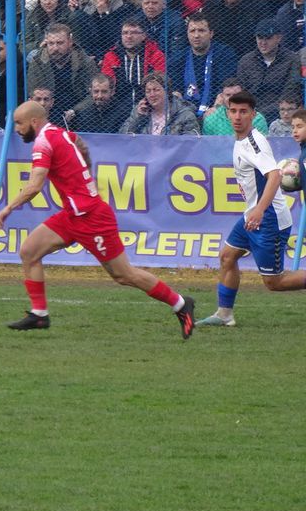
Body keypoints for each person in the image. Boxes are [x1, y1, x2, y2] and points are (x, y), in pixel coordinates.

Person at [0, 100, 195, 337]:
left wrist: (8, 208)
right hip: (73, 214)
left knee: (124, 275)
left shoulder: (42, 142)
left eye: (19, 123)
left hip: (91, 217)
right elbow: (81, 145)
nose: (16, 128)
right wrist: (85, 176)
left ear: (34, 122)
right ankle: (39, 315)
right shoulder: (60, 133)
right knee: (29, 251)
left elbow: (35, 185)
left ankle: (181, 304)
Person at [197, 91, 305, 328]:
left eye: (243, 112)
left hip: (269, 219)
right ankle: (224, 314)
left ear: (253, 115)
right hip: (254, 214)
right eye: (233, 111)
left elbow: (274, 175)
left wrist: (259, 210)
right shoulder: (241, 140)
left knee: (274, 282)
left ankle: (225, 314)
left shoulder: (254, 143)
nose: (238, 117)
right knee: (227, 257)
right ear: (227, 113)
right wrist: (253, 211)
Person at [168, 13, 239, 117]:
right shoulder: (178, 58)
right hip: (185, 111)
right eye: (192, 31)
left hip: (215, 109)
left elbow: (226, 87)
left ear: (211, 33)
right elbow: (175, 89)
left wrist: (216, 108)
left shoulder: (225, 54)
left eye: (201, 30)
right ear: (187, 34)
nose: (196, 35)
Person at [26, 22, 97, 115]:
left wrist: (75, 110)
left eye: (60, 43)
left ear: (70, 42)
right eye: (51, 43)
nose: (55, 48)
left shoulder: (85, 62)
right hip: (48, 110)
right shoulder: (37, 62)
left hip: (78, 111)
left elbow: (93, 95)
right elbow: (33, 93)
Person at [236, 18, 298, 119]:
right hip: (249, 113)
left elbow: (290, 92)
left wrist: (261, 113)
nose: (263, 42)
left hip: (279, 114)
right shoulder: (246, 61)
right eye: (260, 38)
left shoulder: (291, 60)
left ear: (279, 38)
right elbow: (242, 91)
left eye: (268, 38)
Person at [100, 18, 166, 107]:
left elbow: (159, 83)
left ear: (144, 36)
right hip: (117, 105)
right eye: (125, 33)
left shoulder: (156, 55)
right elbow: (107, 85)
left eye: (134, 33)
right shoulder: (110, 56)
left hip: (148, 104)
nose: (129, 36)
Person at [118, 73, 201, 135]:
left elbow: (192, 141)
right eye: (148, 91)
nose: (152, 94)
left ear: (167, 91)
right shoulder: (140, 111)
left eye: (156, 90)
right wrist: (137, 117)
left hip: (173, 156)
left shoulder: (184, 113)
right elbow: (122, 136)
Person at [64, 73, 131, 134]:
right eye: (96, 91)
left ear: (112, 92)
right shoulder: (82, 113)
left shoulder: (122, 113)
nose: (99, 96)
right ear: (90, 91)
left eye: (104, 92)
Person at [202, 78, 271, 135]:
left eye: (236, 94)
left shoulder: (257, 119)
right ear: (222, 96)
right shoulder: (211, 120)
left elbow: (262, 146)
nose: (232, 99)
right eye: (228, 95)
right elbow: (207, 147)